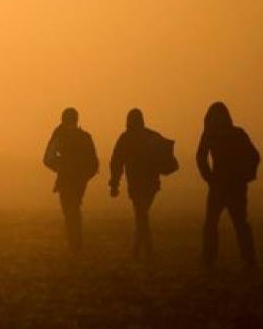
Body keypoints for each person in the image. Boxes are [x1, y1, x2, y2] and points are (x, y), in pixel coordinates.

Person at [196, 101, 260, 270]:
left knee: (217, 223)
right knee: (237, 223)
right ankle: (247, 259)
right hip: (230, 186)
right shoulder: (235, 134)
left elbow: (200, 158)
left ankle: (210, 260)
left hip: (225, 186)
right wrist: (245, 176)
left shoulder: (215, 135)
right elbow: (254, 156)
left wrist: (210, 178)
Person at [108, 108, 175, 260]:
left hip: (137, 185)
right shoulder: (152, 136)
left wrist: (114, 185)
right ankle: (138, 251)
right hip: (152, 185)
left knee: (141, 216)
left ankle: (146, 251)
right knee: (141, 216)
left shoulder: (126, 138)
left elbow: (116, 163)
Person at [43, 107, 99, 253]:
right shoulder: (85, 137)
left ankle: (75, 245)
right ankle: (76, 244)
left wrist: (60, 168)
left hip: (66, 180)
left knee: (70, 211)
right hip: (80, 182)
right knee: (74, 209)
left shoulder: (60, 135)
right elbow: (94, 164)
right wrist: (84, 177)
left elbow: (47, 159)